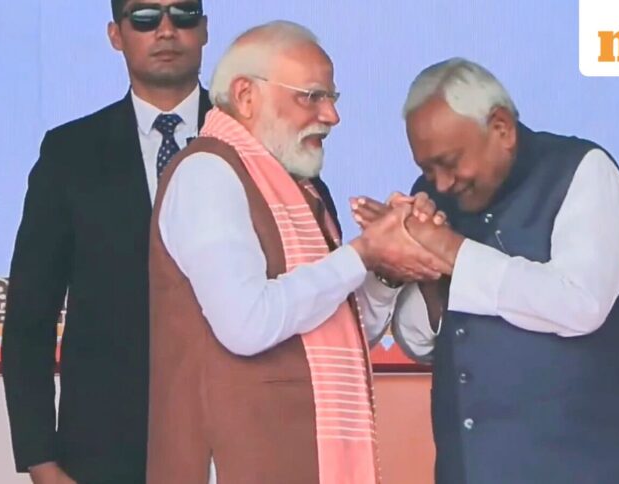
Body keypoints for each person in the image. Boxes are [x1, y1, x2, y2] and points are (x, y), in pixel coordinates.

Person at [146, 20, 448, 484]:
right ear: (246, 96)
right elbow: (248, 324)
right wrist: (363, 253)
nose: (331, 116)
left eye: (332, 98)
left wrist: (385, 267)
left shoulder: (301, 189)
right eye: (311, 96)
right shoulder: (207, 173)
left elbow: (338, 331)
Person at [353, 58, 619, 484]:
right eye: (428, 169)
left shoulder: (581, 170)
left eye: (449, 162)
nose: (441, 184)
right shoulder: (430, 197)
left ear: (500, 128)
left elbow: (582, 303)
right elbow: (425, 346)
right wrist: (422, 271)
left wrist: (451, 250)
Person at [1, 1, 218, 482]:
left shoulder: (251, 140)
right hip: (105, 449)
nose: (165, 30)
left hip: (237, 437)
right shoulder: (69, 154)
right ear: (116, 35)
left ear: (203, 30)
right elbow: (28, 320)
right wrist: (40, 459)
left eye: (182, 15)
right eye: (144, 18)